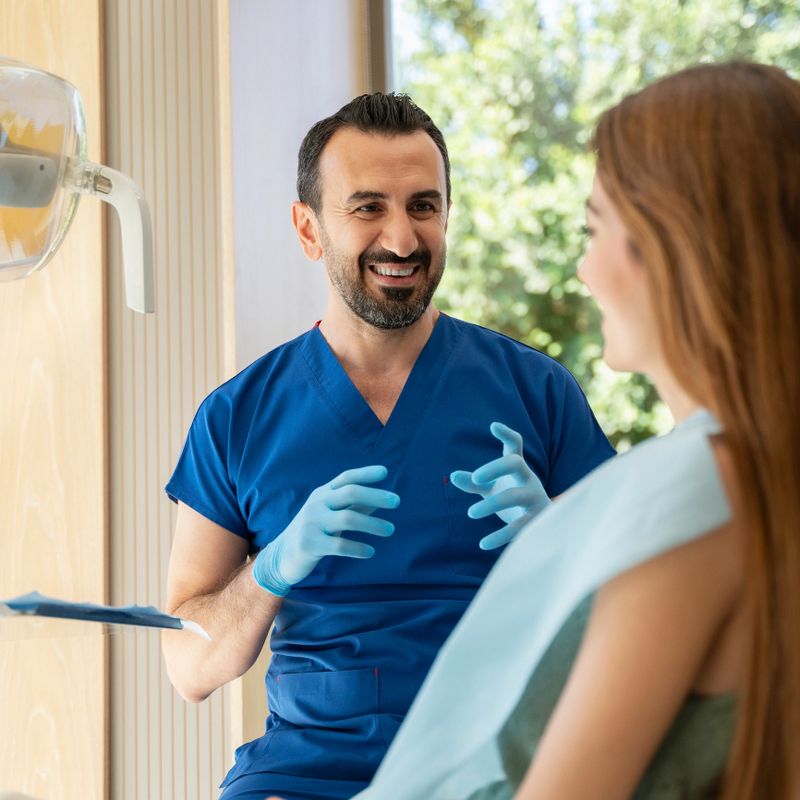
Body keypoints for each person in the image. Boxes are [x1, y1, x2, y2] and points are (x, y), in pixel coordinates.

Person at [347, 62, 800, 800]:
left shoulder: (703, 483)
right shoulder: (756, 475)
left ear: (674, 245)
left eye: (594, 229)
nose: (584, 271)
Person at [161, 93, 614, 800]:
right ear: (308, 229)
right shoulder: (235, 418)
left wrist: (555, 547)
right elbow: (187, 670)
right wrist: (270, 572)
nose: (402, 240)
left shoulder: (537, 393)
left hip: (503, 765)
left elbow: (640, 622)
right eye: (368, 207)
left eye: (424, 207)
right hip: (303, 778)